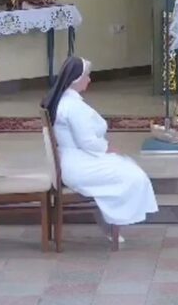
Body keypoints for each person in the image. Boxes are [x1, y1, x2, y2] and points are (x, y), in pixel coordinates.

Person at [42, 57, 158, 242]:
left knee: (125, 164)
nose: (89, 80)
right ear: (76, 79)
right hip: (78, 166)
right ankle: (113, 220)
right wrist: (107, 149)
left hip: (72, 161)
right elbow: (87, 141)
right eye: (87, 76)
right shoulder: (73, 106)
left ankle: (109, 222)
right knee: (132, 175)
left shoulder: (65, 101)